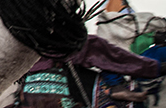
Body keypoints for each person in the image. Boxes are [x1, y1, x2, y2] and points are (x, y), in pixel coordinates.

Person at [15, 34, 164, 107]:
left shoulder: (18, 42)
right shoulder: (60, 37)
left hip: (26, 94)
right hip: (60, 91)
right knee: (99, 50)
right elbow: (103, 54)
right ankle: (116, 86)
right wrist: (154, 68)